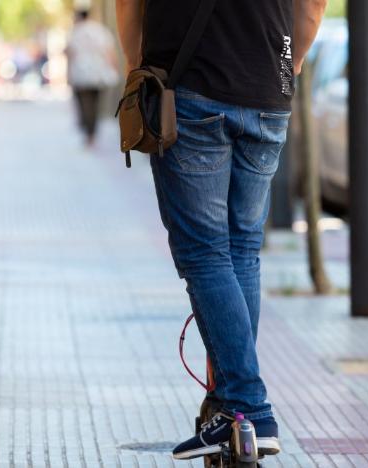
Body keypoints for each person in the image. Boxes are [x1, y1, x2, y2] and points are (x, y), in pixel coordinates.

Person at [116, 0, 327, 460]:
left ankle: (247, 408)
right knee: (242, 251)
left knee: (206, 254)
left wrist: (140, 70)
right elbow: (312, 7)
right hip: (269, 95)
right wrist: (284, 68)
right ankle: (240, 412)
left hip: (190, 91)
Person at [65, 9, 119, 146]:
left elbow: (70, 53)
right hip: (99, 74)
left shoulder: (75, 32)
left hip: (80, 75)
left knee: (85, 105)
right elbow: (110, 51)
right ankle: (92, 133)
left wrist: (68, 74)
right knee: (94, 104)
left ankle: (89, 134)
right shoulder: (100, 30)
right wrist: (115, 68)